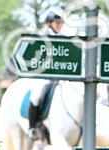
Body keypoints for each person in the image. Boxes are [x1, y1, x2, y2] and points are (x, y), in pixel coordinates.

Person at [27, 7, 68, 143]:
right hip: (43, 76)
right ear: (50, 23)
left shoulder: (63, 38)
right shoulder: (42, 37)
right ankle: (32, 127)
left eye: (61, 23)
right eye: (57, 23)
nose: (60, 26)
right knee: (36, 94)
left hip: (60, 77)